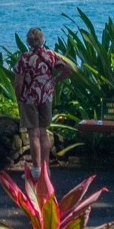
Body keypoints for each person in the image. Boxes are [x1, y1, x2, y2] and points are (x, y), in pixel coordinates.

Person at [14, 27, 73, 181]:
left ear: (28, 42)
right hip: (46, 97)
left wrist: (19, 98)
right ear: (42, 40)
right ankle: (46, 170)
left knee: (33, 134)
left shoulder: (24, 58)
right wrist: (55, 80)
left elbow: (18, 83)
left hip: (29, 98)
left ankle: (36, 169)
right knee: (43, 132)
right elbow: (69, 69)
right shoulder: (50, 55)